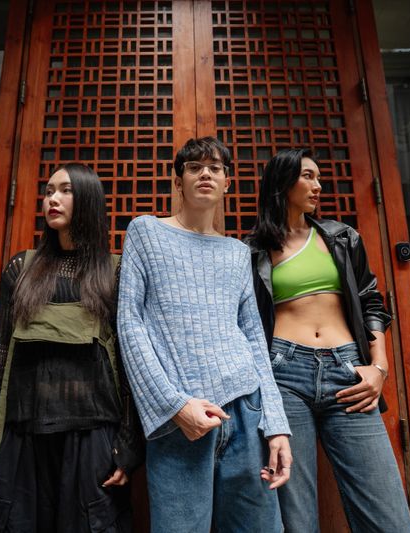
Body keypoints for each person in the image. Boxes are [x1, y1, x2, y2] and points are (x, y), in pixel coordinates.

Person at [117, 137, 292, 533]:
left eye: (215, 167)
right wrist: (175, 406)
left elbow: (253, 339)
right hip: (180, 420)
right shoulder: (145, 233)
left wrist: (276, 425)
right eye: (195, 167)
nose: (206, 173)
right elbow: (130, 325)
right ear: (178, 181)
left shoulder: (235, 252)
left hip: (247, 413)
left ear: (227, 182)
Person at [0, 163, 144, 532]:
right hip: (24, 432)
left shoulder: (114, 271)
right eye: (49, 191)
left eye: (65, 190)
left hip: (92, 434)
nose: (53, 199)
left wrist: (128, 444)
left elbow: (129, 363)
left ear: (89, 201)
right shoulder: (22, 267)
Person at [247, 148, 410, 533]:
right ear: (282, 182)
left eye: (318, 177)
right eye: (307, 176)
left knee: (387, 515)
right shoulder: (253, 250)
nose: (317, 185)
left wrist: (379, 368)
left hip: (348, 371)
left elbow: (372, 299)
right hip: (283, 374)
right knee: (295, 514)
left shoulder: (341, 237)